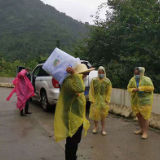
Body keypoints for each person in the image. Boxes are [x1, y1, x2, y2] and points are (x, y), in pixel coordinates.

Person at [54, 64, 94, 160]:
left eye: (87, 74)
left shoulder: (74, 81)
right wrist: (75, 74)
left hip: (76, 117)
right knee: (72, 142)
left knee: (74, 141)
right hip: (72, 118)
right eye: (84, 74)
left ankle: (72, 157)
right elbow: (80, 89)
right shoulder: (71, 82)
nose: (85, 76)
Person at [127, 67, 154, 139]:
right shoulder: (132, 80)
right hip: (136, 101)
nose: (136, 75)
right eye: (135, 73)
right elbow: (128, 88)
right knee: (139, 115)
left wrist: (141, 88)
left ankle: (145, 132)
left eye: (138, 73)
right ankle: (141, 130)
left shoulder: (146, 79)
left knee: (146, 116)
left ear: (141, 73)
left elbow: (151, 88)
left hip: (145, 101)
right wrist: (133, 89)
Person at [89, 66, 112, 136]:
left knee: (103, 115)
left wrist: (107, 100)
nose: (101, 74)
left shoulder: (107, 81)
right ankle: (95, 127)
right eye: (99, 72)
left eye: (102, 72)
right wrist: (91, 99)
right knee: (95, 114)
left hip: (103, 100)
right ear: (98, 73)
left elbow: (109, 91)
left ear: (104, 73)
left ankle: (103, 129)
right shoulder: (94, 80)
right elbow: (91, 90)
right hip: (95, 100)